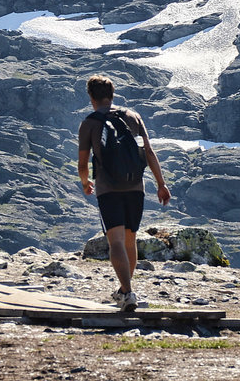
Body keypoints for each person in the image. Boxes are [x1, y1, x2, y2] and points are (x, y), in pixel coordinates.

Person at [77, 75, 170, 310]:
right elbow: (148, 152)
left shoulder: (89, 123)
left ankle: (128, 293)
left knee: (115, 241)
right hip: (135, 188)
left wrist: (85, 181)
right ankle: (124, 290)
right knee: (130, 240)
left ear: (91, 97)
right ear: (113, 94)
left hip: (108, 189)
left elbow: (83, 161)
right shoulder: (133, 117)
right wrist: (161, 184)